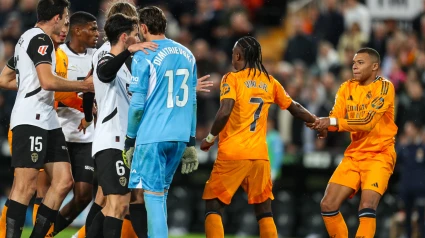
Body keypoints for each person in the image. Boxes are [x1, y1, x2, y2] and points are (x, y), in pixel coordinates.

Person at [199, 36, 321, 238]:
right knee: (264, 211)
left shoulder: (231, 79)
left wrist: (210, 138)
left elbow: (224, 111)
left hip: (234, 153)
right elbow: (295, 108)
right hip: (260, 157)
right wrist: (316, 122)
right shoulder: (270, 81)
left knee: (213, 205)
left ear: (238, 55)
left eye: (233, 53)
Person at [6, 0, 94, 236]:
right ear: (56, 17)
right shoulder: (40, 39)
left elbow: (4, 78)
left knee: (64, 181)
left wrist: (27, 84)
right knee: (25, 187)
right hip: (31, 119)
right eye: (65, 19)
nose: (66, 24)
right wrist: (83, 85)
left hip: (48, 120)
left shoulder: (26, 39)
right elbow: (47, 81)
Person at [123, 6, 198, 238]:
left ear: (143, 28)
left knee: (152, 198)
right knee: (160, 196)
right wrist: (191, 141)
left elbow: (136, 106)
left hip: (152, 136)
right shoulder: (188, 54)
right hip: (179, 136)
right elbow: (192, 102)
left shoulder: (144, 54)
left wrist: (129, 139)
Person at [307, 47, 398, 237]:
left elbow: (366, 122)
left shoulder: (384, 87)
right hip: (354, 154)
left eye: (360, 63)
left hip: (379, 155)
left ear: (375, 67)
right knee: (328, 204)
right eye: (354, 63)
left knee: (366, 205)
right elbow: (335, 117)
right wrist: (324, 126)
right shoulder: (346, 87)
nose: (354, 66)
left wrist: (332, 122)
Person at [87, 13, 158, 238]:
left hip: (121, 143)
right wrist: (129, 51)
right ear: (125, 37)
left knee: (117, 206)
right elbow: (104, 73)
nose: (138, 38)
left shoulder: (127, 68)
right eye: (136, 35)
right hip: (110, 141)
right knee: (117, 205)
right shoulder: (105, 58)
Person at [45, 11, 99, 236]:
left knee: (84, 195)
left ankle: (50, 233)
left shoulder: (98, 56)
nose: (98, 33)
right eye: (93, 28)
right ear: (78, 30)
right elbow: (52, 92)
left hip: (87, 138)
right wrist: (80, 101)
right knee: (51, 190)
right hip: (59, 132)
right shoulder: (58, 54)